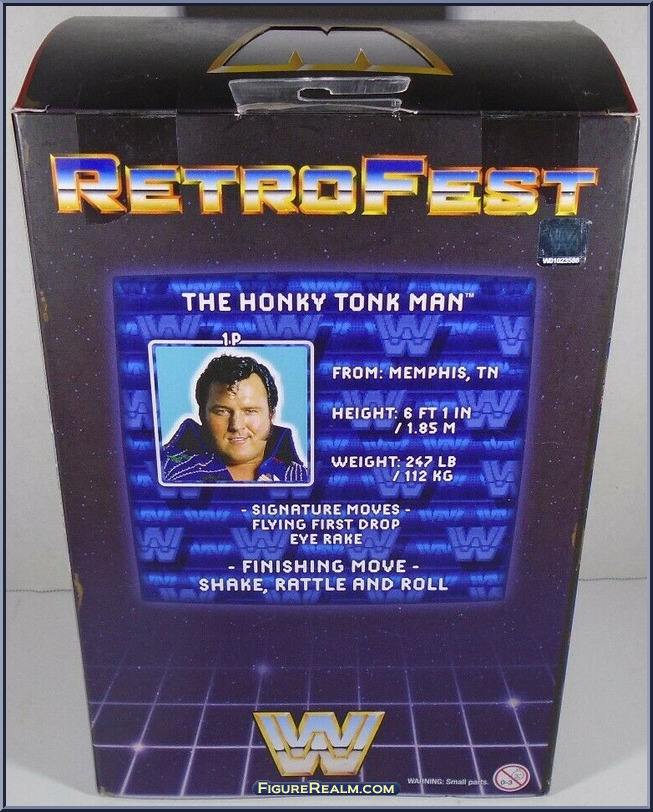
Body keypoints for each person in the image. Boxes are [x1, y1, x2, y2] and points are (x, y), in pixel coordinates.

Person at [161, 354, 309, 484]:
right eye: (222, 411)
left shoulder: (303, 478)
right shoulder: (164, 471)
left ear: (271, 414)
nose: (236, 425)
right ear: (202, 414)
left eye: (250, 411)